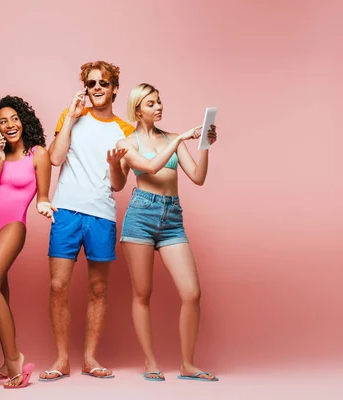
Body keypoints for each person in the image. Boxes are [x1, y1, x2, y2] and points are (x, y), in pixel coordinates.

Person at [116, 82, 219, 382]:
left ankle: (187, 364)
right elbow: (148, 168)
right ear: (137, 109)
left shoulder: (173, 138)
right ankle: (150, 362)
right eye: (151, 103)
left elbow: (197, 177)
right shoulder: (128, 143)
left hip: (172, 217)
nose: (159, 107)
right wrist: (179, 141)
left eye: (159, 101)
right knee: (142, 295)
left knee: (192, 292)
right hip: (141, 216)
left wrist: (205, 146)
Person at [39, 61, 134, 381]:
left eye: (103, 83)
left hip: (102, 214)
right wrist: (71, 117)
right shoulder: (72, 117)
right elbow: (54, 158)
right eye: (91, 83)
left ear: (114, 88)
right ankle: (62, 359)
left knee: (98, 288)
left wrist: (115, 166)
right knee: (57, 285)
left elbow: (119, 185)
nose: (96, 88)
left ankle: (90, 358)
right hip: (66, 209)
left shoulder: (126, 131)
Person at [0, 96, 55, 389]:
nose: (10, 125)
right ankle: (5, 360)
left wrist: (45, 205)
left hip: (12, 224)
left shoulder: (38, 154)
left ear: (24, 120)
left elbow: (43, 195)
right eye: (2, 122)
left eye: (14, 118)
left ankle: (15, 362)